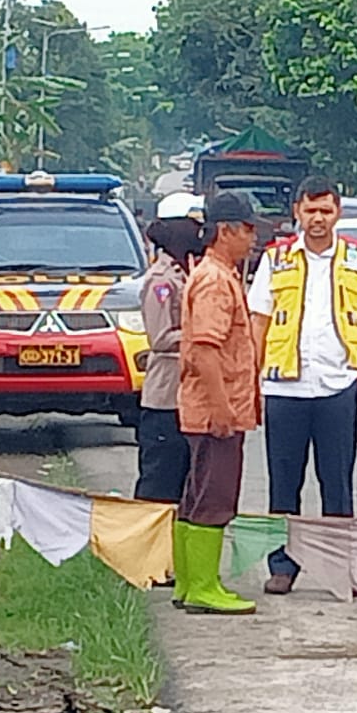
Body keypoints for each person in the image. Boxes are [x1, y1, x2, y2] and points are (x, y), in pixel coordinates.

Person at [249, 176, 357, 595]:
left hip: (336, 388)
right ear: (297, 211)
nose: (317, 219)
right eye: (310, 211)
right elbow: (259, 320)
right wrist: (254, 377)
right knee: (283, 483)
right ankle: (282, 566)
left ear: (338, 213)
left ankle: (339, 568)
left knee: (337, 483)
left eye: (325, 211)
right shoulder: (275, 260)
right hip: (283, 388)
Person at [174, 192, 262, 615]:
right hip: (215, 411)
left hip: (205, 408)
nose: (252, 237)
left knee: (197, 493)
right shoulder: (215, 281)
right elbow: (206, 350)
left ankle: (190, 583)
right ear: (225, 230)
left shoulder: (218, 274)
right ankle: (203, 586)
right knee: (214, 496)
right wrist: (223, 407)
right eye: (247, 229)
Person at [134, 208, 205, 507]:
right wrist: (202, 336)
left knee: (184, 487)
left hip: (186, 396)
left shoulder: (184, 273)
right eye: (193, 227)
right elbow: (160, 338)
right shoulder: (160, 280)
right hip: (165, 398)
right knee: (158, 488)